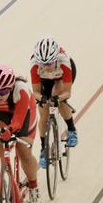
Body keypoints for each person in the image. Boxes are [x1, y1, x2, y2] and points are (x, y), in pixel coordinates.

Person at [0, 64, 40, 203]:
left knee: (23, 150)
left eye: (3, 92)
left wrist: (10, 130)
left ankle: (33, 186)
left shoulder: (21, 90)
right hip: (2, 115)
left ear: (11, 87)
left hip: (24, 113)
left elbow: (18, 122)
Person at [30, 37, 78, 169]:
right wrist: (42, 99)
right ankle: (43, 148)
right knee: (43, 112)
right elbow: (35, 92)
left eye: (49, 63)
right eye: (43, 64)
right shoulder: (35, 65)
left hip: (61, 77)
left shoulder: (64, 62)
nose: (46, 66)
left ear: (55, 59)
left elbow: (67, 93)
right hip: (44, 79)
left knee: (59, 97)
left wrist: (57, 99)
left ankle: (72, 129)